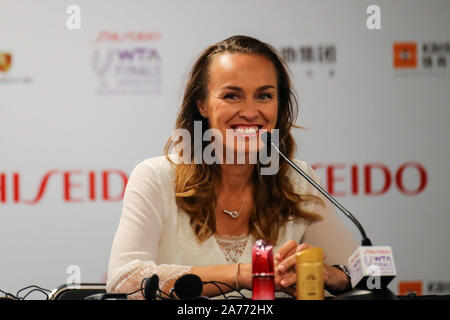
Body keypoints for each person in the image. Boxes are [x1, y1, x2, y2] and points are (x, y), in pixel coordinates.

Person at [106, 35, 358, 299]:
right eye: (232, 95)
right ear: (201, 104)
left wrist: (335, 276)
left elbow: (368, 275)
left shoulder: (298, 179)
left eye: (264, 95)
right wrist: (243, 275)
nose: (250, 111)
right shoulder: (157, 178)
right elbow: (124, 279)